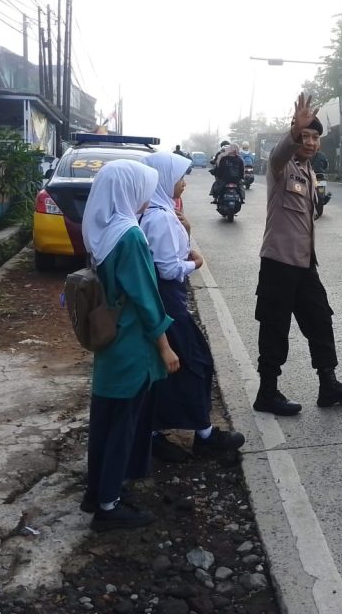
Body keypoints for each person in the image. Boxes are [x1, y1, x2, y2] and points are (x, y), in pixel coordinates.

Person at [79, 159, 181, 532]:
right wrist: (165, 347)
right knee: (123, 425)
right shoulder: (131, 236)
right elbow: (147, 298)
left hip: (110, 343)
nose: (145, 197)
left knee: (104, 421)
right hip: (131, 345)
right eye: (141, 189)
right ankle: (109, 505)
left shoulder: (100, 231)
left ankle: (97, 492)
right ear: (127, 191)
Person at [252, 93, 342, 416]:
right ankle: (267, 392)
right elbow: (279, 152)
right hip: (277, 263)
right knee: (274, 327)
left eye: (316, 138)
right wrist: (292, 134)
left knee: (320, 320)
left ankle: (328, 385)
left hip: (304, 264)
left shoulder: (309, 172)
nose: (312, 143)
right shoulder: (281, 167)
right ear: (294, 136)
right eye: (305, 136)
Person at [141, 152, 245, 461]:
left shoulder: (159, 211)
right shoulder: (159, 217)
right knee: (197, 365)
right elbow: (168, 268)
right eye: (179, 178)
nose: (184, 183)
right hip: (170, 306)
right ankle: (202, 435)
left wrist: (185, 233)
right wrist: (195, 262)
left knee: (175, 370)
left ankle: (168, 432)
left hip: (164, 305)